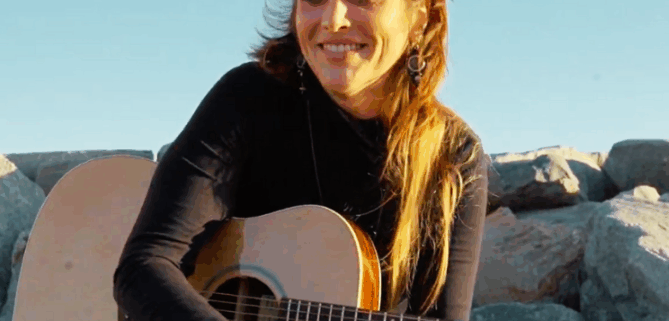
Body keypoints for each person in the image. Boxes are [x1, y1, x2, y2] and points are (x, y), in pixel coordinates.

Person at [112, 0, 489, 320]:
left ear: (420, 15)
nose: (333, 19)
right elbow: (144, 266)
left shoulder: (454, 159)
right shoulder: (249, 99)